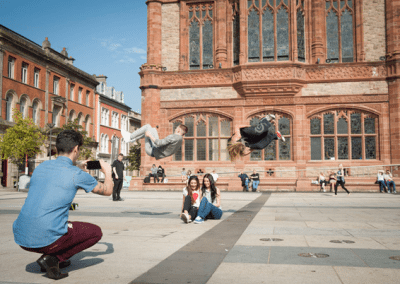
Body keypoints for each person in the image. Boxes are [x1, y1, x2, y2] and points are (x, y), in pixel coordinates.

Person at [12, 130, 114, 280]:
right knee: (95, 232)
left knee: (63, 222)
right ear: (76, 149)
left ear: (58, 147)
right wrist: (108, 172)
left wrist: (78, 165)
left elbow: (61, 171)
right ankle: (54, 258)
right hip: (45, 238)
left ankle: (54, 256)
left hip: (21, 236)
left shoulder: (41, 167)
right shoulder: (77, 174)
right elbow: (108, 191)